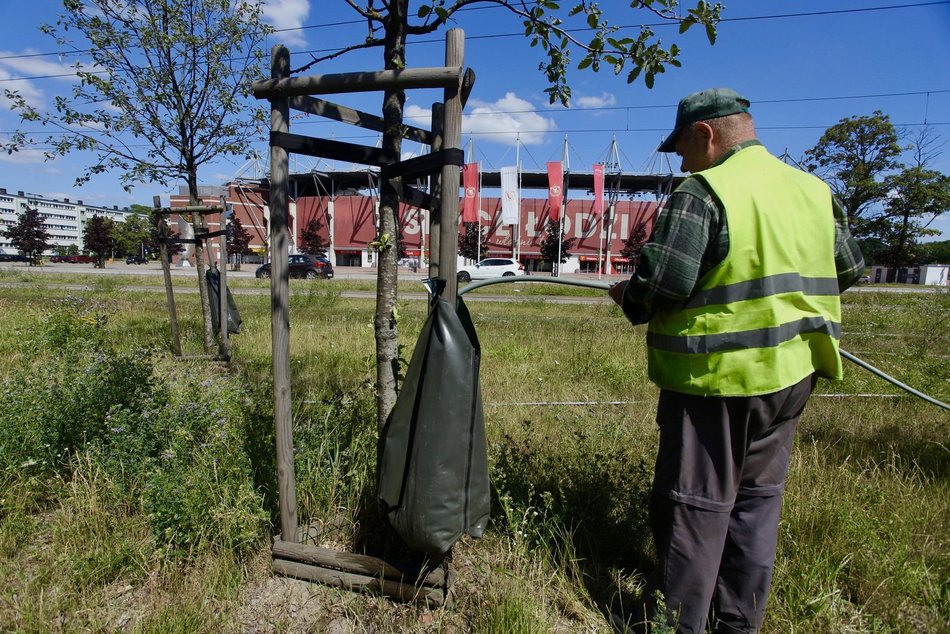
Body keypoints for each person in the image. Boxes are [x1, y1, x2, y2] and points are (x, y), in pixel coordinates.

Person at [608, 88, 864, 633]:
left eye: (680, 148)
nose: (680, 161)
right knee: (757, 503)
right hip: (792, 378)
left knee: (695, 507)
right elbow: (850, 268)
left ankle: (676, 625)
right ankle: (738, 622)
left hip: (715, 380)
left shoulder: (705, 191)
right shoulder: (813, 190)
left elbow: (665, 281)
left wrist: (628, 293)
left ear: (706, 134)